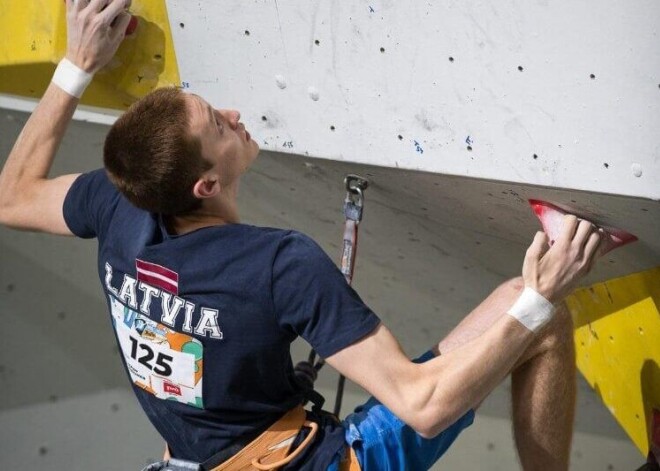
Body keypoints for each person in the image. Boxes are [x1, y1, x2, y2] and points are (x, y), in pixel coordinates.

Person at [0, 1, 603, 470]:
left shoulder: (123, 200)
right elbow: (423, 407)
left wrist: (77, 65)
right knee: (540, 319)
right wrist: (537, 298)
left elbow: (12, 197)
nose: (235, 115)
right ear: (206, 184)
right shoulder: (275, 264)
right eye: (218, 123)